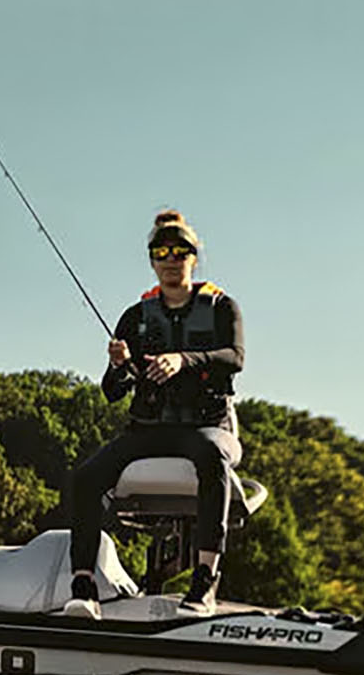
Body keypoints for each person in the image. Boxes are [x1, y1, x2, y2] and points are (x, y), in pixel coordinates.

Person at [65, 210, 244, 618]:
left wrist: (183, 359)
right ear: (152, 260)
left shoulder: (221, 308)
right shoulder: (135, 317)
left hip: (204, 427)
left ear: (193, 257)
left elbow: (234, 358)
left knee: (210, 457)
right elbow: (112, 391)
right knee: (87, 476)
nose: (170, 258)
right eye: (161, 251)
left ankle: (204, 581)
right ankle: (83, 584)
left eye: (179, 251)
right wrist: (117, 364)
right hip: (148, 431)